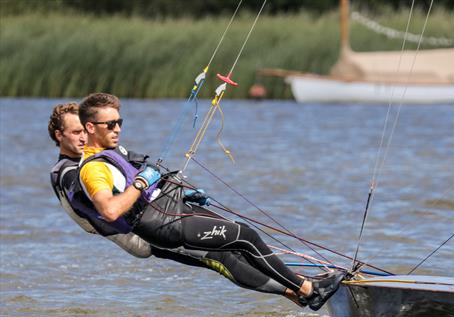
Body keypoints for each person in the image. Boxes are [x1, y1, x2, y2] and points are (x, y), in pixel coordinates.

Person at [48, 102, 326, 304]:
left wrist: (175, 190)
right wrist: (142, 186)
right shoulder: (70, 172)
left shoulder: (107, 151)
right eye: (76, 134)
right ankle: (299, 291)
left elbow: (136, 167)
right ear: (61, 135)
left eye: (84, 133)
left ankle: (297, 287)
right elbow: (105, 206)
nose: (83, 139)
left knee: (233, 243)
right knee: (223, 254)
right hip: (137, 233)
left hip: (161, 211)